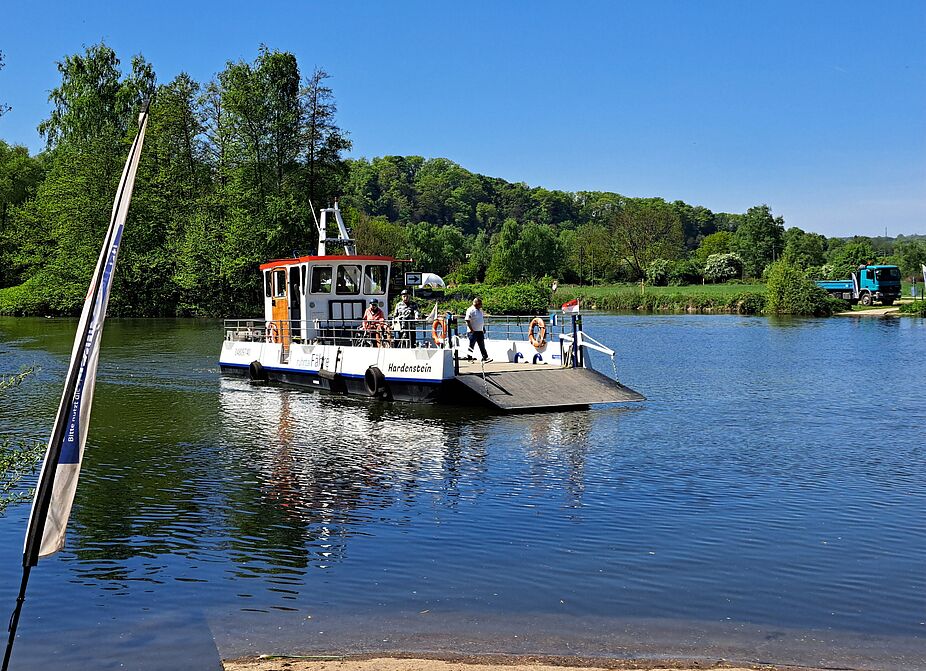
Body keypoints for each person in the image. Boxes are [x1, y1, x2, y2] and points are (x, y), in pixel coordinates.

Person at [464, 297, 491, 362]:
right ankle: (469, 358)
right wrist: (471, 329)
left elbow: (481, 320)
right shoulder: (470, 310)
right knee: (471, 345)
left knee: (482, 345)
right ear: (476, 303)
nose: (481, 305)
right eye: (480, 304)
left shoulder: (480, 311)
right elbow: (467, 320)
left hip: (480, 331)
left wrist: (483, 328)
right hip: (473, 331)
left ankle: (485, 357)